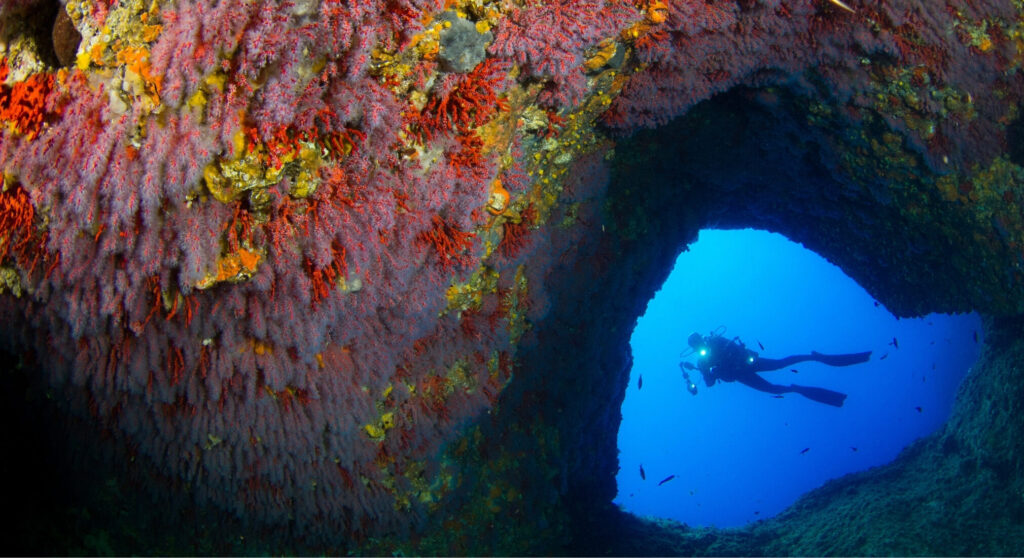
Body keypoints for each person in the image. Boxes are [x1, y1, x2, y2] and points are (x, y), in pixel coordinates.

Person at [681, 331, 872, 407]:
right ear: (695, 348)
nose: (701, 347)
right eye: (697, 346)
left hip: (748, 364)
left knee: (781, 363)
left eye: (699, 342)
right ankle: (796, 388)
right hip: (742, 375)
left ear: (702, 339)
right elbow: (709, 383)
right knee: (772, 389)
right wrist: (706, 373)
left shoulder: (716, 340)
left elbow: (736, 347)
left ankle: (813, 357)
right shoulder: (702, 363)